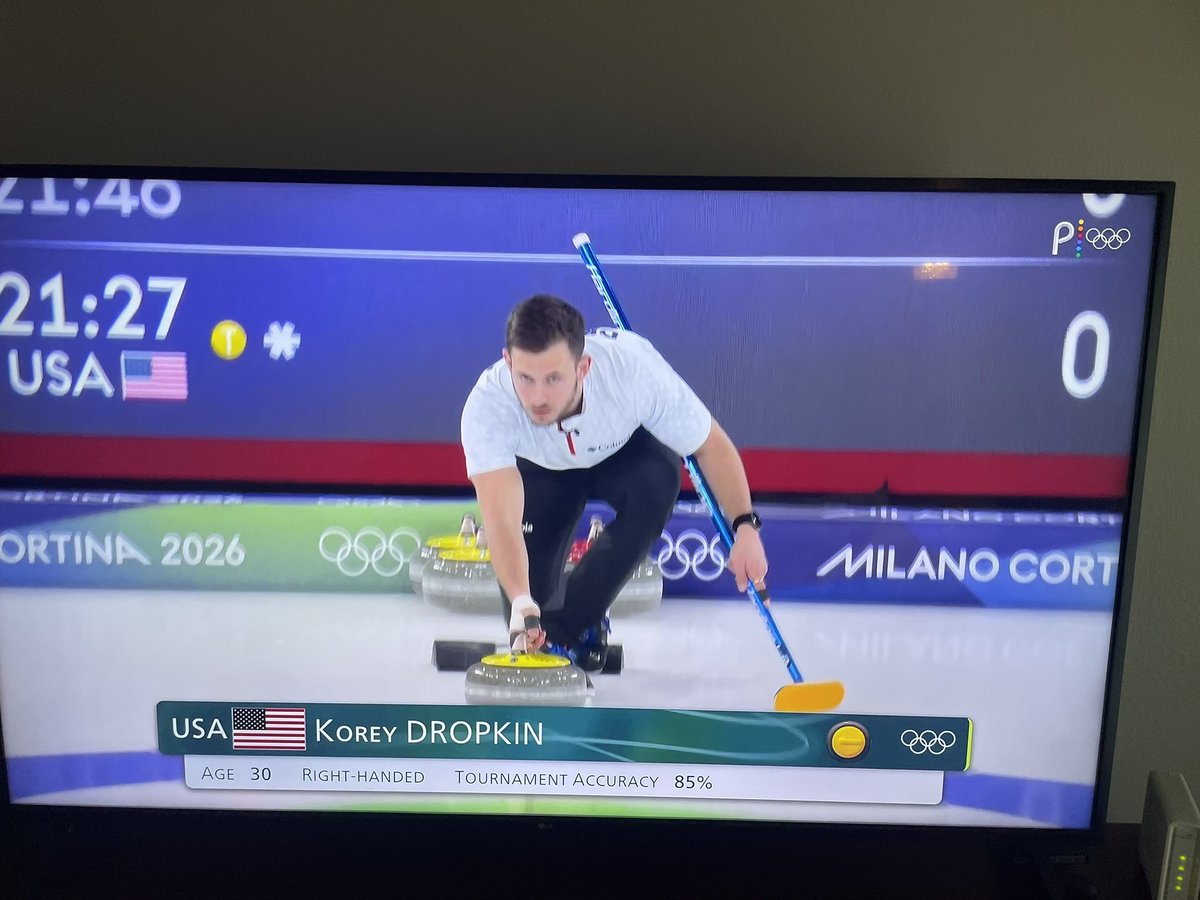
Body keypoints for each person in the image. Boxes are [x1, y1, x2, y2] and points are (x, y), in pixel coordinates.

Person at [460, 294, 768, 670]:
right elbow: (501, 520)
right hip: (542, 469)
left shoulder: (633, 371)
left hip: (623, 454)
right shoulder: (488, 404)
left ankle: (576, 623)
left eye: (554, 379)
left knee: (658, 482)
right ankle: (549, 623)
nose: (538, 397)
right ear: (508, 362)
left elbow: (710, 446)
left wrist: (745, 527)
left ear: (583, 367)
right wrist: (522, 600)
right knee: (528, 614)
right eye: (525, 378)